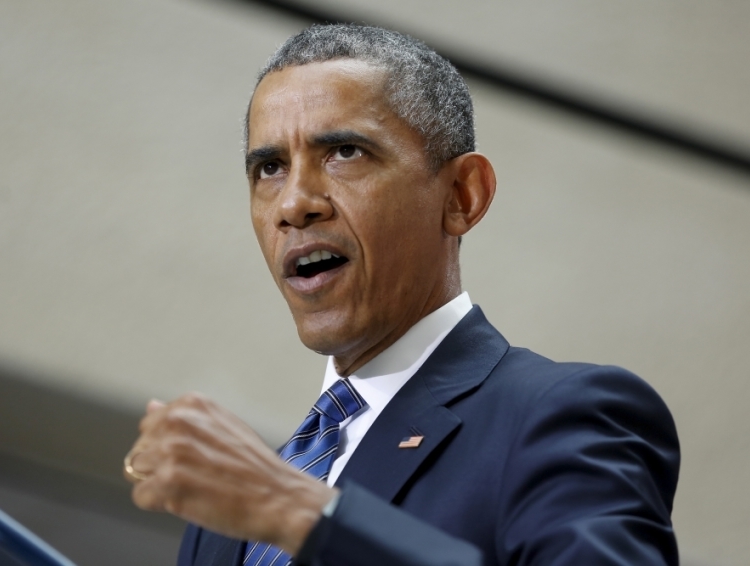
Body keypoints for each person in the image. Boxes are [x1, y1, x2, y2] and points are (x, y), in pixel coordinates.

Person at [124, 24, 680, 566]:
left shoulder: (560, 416)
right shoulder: (233, 516)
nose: (294, 204)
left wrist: (300, 514)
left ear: (462, 195)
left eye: (344, 152)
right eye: (269, 167)